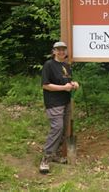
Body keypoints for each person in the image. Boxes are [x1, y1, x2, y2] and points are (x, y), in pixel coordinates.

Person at [39, 41, 79, 174]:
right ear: (54, 51)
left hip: (66, 102)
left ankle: (54, 155)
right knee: (57, 127)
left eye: (63, 50)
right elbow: (45, 85)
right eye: (59, 50)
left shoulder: (66, 66)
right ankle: (45, 158)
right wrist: (64, 87)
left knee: (63, 130)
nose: (61, 52)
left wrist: (73, 84)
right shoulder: (49, 65)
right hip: (53, 102)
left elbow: (66, 82)